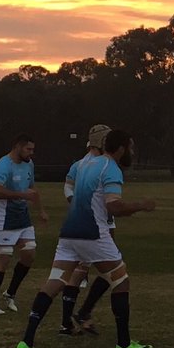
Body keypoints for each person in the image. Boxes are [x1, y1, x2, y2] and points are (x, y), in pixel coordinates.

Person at [15, 129, 156, 348]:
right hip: (93, 234)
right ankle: (123, 343)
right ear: (120, 148)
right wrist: (142, 205)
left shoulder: (83, 164)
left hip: (68, 234)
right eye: (129, 147)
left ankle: (26, 341)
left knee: (53, 283)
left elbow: (73, 191)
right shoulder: (110, 168)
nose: (131, 152)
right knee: (121, 281)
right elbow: (114, 207)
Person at [59, 124, 114, 336]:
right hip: (89, 221)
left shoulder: (105, 162)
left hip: (105, 218)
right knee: (90, 269)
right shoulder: (82, 164)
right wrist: (76, 203)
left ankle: (78, 315)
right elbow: (68, 186)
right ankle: (73, 318)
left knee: (103, 268)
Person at [0, 134, 48, 315]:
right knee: (4, 257)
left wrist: (41, 211)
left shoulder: (28, 164)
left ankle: (10, 293)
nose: (31, 153)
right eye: (28, 149)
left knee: (29, 254)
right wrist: (22, 196)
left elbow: (32, 190)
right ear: (18, 147)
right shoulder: (3, 165)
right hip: (4, 218)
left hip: (23, 218)